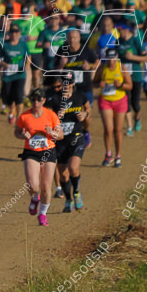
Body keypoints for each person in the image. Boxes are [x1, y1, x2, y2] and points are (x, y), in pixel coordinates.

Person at [15, 88, 63, 226]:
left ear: (43, 100)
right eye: (33, 100)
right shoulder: (24, 116)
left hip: (48, 151)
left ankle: (42, 214)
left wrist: (52, 133)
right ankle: (34, 198)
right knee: (33, 184)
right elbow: (17, 132)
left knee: (46, 186)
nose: (36, 102)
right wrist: (22, 135)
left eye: (39, 99)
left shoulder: (51, 115)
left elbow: (61, 135)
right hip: (31, 152)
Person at [46, 74, 90, 212]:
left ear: (73, 84)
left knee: (73, 167)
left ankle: (76, 193)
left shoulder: (80, 96)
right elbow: (45, 117)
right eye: (64, 83)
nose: (66, 86)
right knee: (63, 174)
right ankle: (68, 200)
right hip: (60, 141)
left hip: (76, 137)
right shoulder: (53, 99)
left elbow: (88, 108)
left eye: (69, 83)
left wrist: (85, 114)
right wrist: (56, 116)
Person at [93, 46, 132, 168]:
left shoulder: (122, 69)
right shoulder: (102, 69)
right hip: (105, 100)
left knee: (118, 130)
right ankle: (108, 154)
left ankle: (118, 156)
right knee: (108, 129)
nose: (111, 61)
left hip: (120, 101)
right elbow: (94, 83)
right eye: (109, 59)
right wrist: (99, 84)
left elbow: (130, 86)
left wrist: (120, 84)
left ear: (117, 58)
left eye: (113, 59)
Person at [0, 25, 30, 124]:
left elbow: (28, 57)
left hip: (20, 74)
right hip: (8, 75)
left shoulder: (23, 44)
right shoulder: (5, 45)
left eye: (16, 32)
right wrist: (5, 65)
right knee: (8, 95)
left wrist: (26, 66)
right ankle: (12, 111)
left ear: (19, 33)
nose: (14, 34)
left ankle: (19, 117)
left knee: (19, 94)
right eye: (12, 32)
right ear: (9, 33)